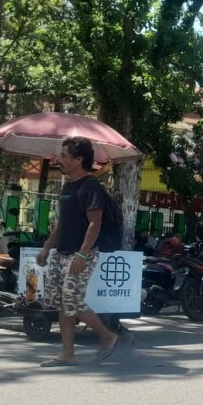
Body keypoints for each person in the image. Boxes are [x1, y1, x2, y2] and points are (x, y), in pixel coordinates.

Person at [35, 137, 122, 367]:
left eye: (64, 156)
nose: (59, 160)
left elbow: (95, 223)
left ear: (79, 159)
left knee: (72, 300)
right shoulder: (67, 186)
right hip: (61, 252)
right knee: (63, 303)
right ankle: (68, 354)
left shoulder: (91, 186)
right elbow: (61, 223)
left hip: (82, 253)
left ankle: (107, 335)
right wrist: (47, 247)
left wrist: (82, 254)